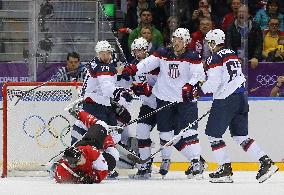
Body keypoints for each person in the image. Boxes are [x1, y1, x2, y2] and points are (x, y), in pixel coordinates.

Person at [193, 29, 278, 183]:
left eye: (209, 42)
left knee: (213, 134)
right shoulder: (231, 53)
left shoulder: (215, 57)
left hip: (226, 99)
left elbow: (214, 82)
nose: (208, 45)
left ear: (213, 42)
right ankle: (266, 162)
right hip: (241, 98)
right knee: (240, 136)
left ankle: (225, 169)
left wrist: (200, 90)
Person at [123, 28, 206, 179]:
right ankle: (162, 161)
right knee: (165, 133)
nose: (176, 42)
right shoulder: (163, 53)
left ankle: (196, 162)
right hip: (164, 99)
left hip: (183, 100)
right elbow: (147, 63)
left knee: (188, 133)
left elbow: (199, 75)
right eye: (174, 38)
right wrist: (134, 68)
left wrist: (191, 84)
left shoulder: (193, 55)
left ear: (187, 41)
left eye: (180, 39)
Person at [71, 40, 133, 146]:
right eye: (103, 53)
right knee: (103, 133)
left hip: (95, 103)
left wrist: (119, 76)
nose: (106, 56)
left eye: (108, 53)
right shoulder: (104, 66)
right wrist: (121, 92)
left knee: (109, 130)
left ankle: (77, 144)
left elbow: (104, 81)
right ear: (98, 54)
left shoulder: (95, 63)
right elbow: (107, 89)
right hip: (96, 105)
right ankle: (103, 153)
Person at [121, 37, 158, 179]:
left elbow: (164, 84)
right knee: (141, 133)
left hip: (161, 104)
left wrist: (146, 89)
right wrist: (128, 90)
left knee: (172, 135)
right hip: (148, 105)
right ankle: (144, 166)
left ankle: (197, 160)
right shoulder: (132, 67)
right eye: (136, 50)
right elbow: (128, 86)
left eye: (141, 50)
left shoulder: (154, 63)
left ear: (146, 50)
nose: (139, 53)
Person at [226, 5, 263, 69]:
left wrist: (255, 57)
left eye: (244, 12)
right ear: (237, 14)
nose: (241, 14)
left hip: (252, 60)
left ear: (248, 15)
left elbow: (259, 44)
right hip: (235, 60)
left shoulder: (255, 27)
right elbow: (228, 44)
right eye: (239, 12)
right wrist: (233, 58)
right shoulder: (230, 27)